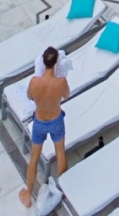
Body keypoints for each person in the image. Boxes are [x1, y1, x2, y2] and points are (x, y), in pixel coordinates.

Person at [19, 45, 70, 208]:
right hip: (56, 120)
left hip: (40, 122)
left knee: (34, 158)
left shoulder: (34, 82)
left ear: (43, 63)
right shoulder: (61, 82)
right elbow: (66, 95)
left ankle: (28, 194)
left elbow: (29, 96)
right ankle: (63, 190)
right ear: (56, 63)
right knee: (60, 154)